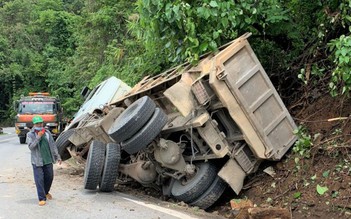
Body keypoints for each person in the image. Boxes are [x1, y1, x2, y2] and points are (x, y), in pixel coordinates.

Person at [27, 115, 62, 206]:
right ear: (34, 124)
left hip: (48, 159)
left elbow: (53, 145)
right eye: (37, 123)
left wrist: (57, 156)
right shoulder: (30, 134)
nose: (39, 124)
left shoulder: (47, 132)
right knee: (39, 180)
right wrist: (38, 137)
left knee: (49, 178)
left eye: (41, 123)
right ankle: (42, 198)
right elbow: (31, 147)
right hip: (37, 161)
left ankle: (46, 192)